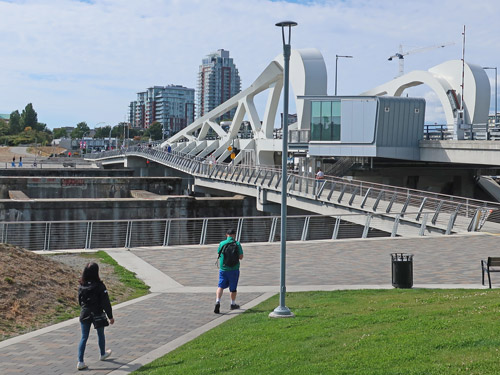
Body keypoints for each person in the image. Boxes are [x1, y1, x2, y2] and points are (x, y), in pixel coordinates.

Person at [77, 262, 114, 371]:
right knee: (100, 334)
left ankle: (80, 361)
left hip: (85, 313)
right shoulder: (100, 286)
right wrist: (110, 316)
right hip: (97, 313)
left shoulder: (81, 285)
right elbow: (105, 303)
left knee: (84, 337)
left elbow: (80, 301)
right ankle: (102, 354)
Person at [214, 229, 243, 314]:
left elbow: (219, 253)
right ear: (234, 235)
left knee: (220, 286)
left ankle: (218, 301)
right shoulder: (237, 244)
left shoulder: (222, 243)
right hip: (234, 269)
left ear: (227, 235)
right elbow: (241, 257)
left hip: (223, 269)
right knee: (233, 288)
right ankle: (232, 304)